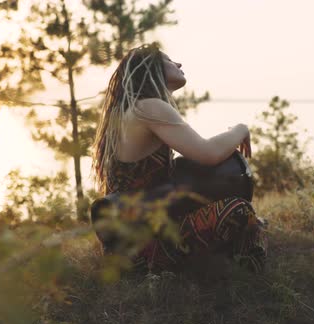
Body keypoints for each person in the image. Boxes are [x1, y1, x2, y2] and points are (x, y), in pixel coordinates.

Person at [92, 43, 267, 273]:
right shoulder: (149, 107)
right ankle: (242, 275)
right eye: (169, 60)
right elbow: (208, 153)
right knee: (239, 211)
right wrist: (240, 129)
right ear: (152, 68)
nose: (179, 64)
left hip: (126, 246)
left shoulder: (132, 111)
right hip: (144, 247)